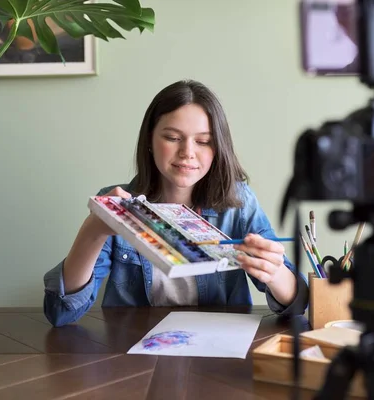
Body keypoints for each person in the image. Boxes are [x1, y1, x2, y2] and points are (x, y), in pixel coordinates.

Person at [43, 80, 309, 327]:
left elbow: (296, 304)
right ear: (149, 139)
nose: (188, 153)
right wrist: (94, 229)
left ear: (218, 148)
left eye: (204, 141)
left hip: (219, 354)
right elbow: (61, 312)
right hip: (130, 354)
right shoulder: (117, 202)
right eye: (172, 138)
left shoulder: (238, 203)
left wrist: (273, 272)